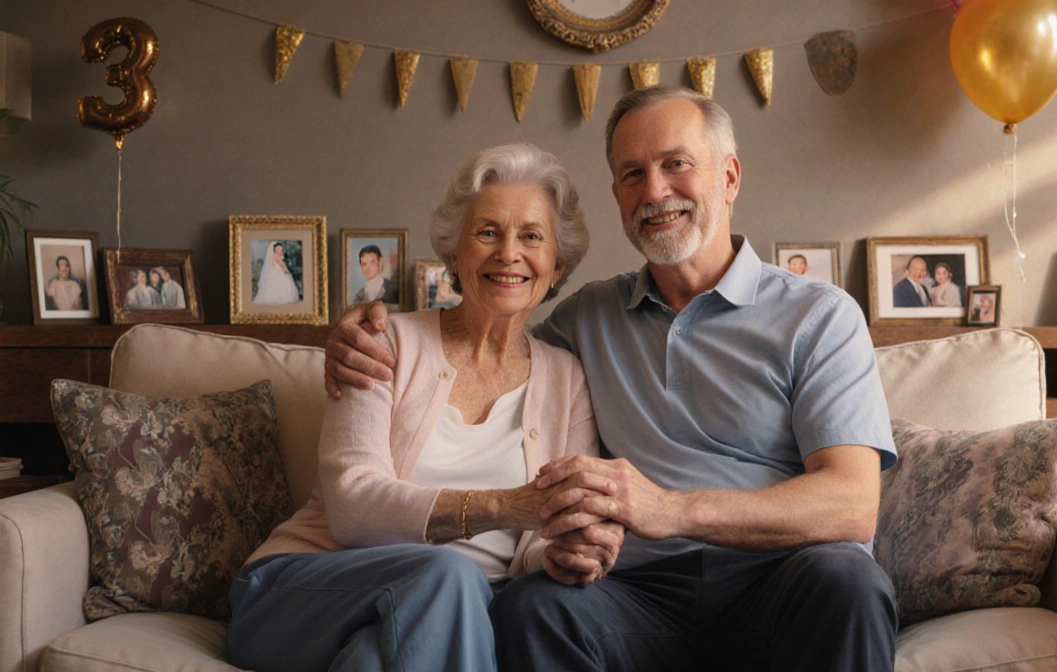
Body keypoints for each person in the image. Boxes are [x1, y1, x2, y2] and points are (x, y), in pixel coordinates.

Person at [326, 86, 898, 671]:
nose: (654, 191)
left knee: (849, 581)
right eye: (632, 173)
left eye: (676, 164)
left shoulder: (820, 315)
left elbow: (851, 504)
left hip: (782, 580)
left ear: (728, 178)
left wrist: (671, 510)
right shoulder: (585, 320)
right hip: (635, 594)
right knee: (533, 608)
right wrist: (358, 334)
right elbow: (490, 344)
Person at [225, 144, 618, 672]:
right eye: (487, 232)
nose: (508, 252)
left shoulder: (567, 377)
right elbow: (353, 507)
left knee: (371, 662)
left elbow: (539, 540)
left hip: (449, 614)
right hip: (304, 590)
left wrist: (567, 551)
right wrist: (506, 505)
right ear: (454, 254)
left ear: (557, 263)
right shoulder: (382, 341)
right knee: (449, 574)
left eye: (531, 236)